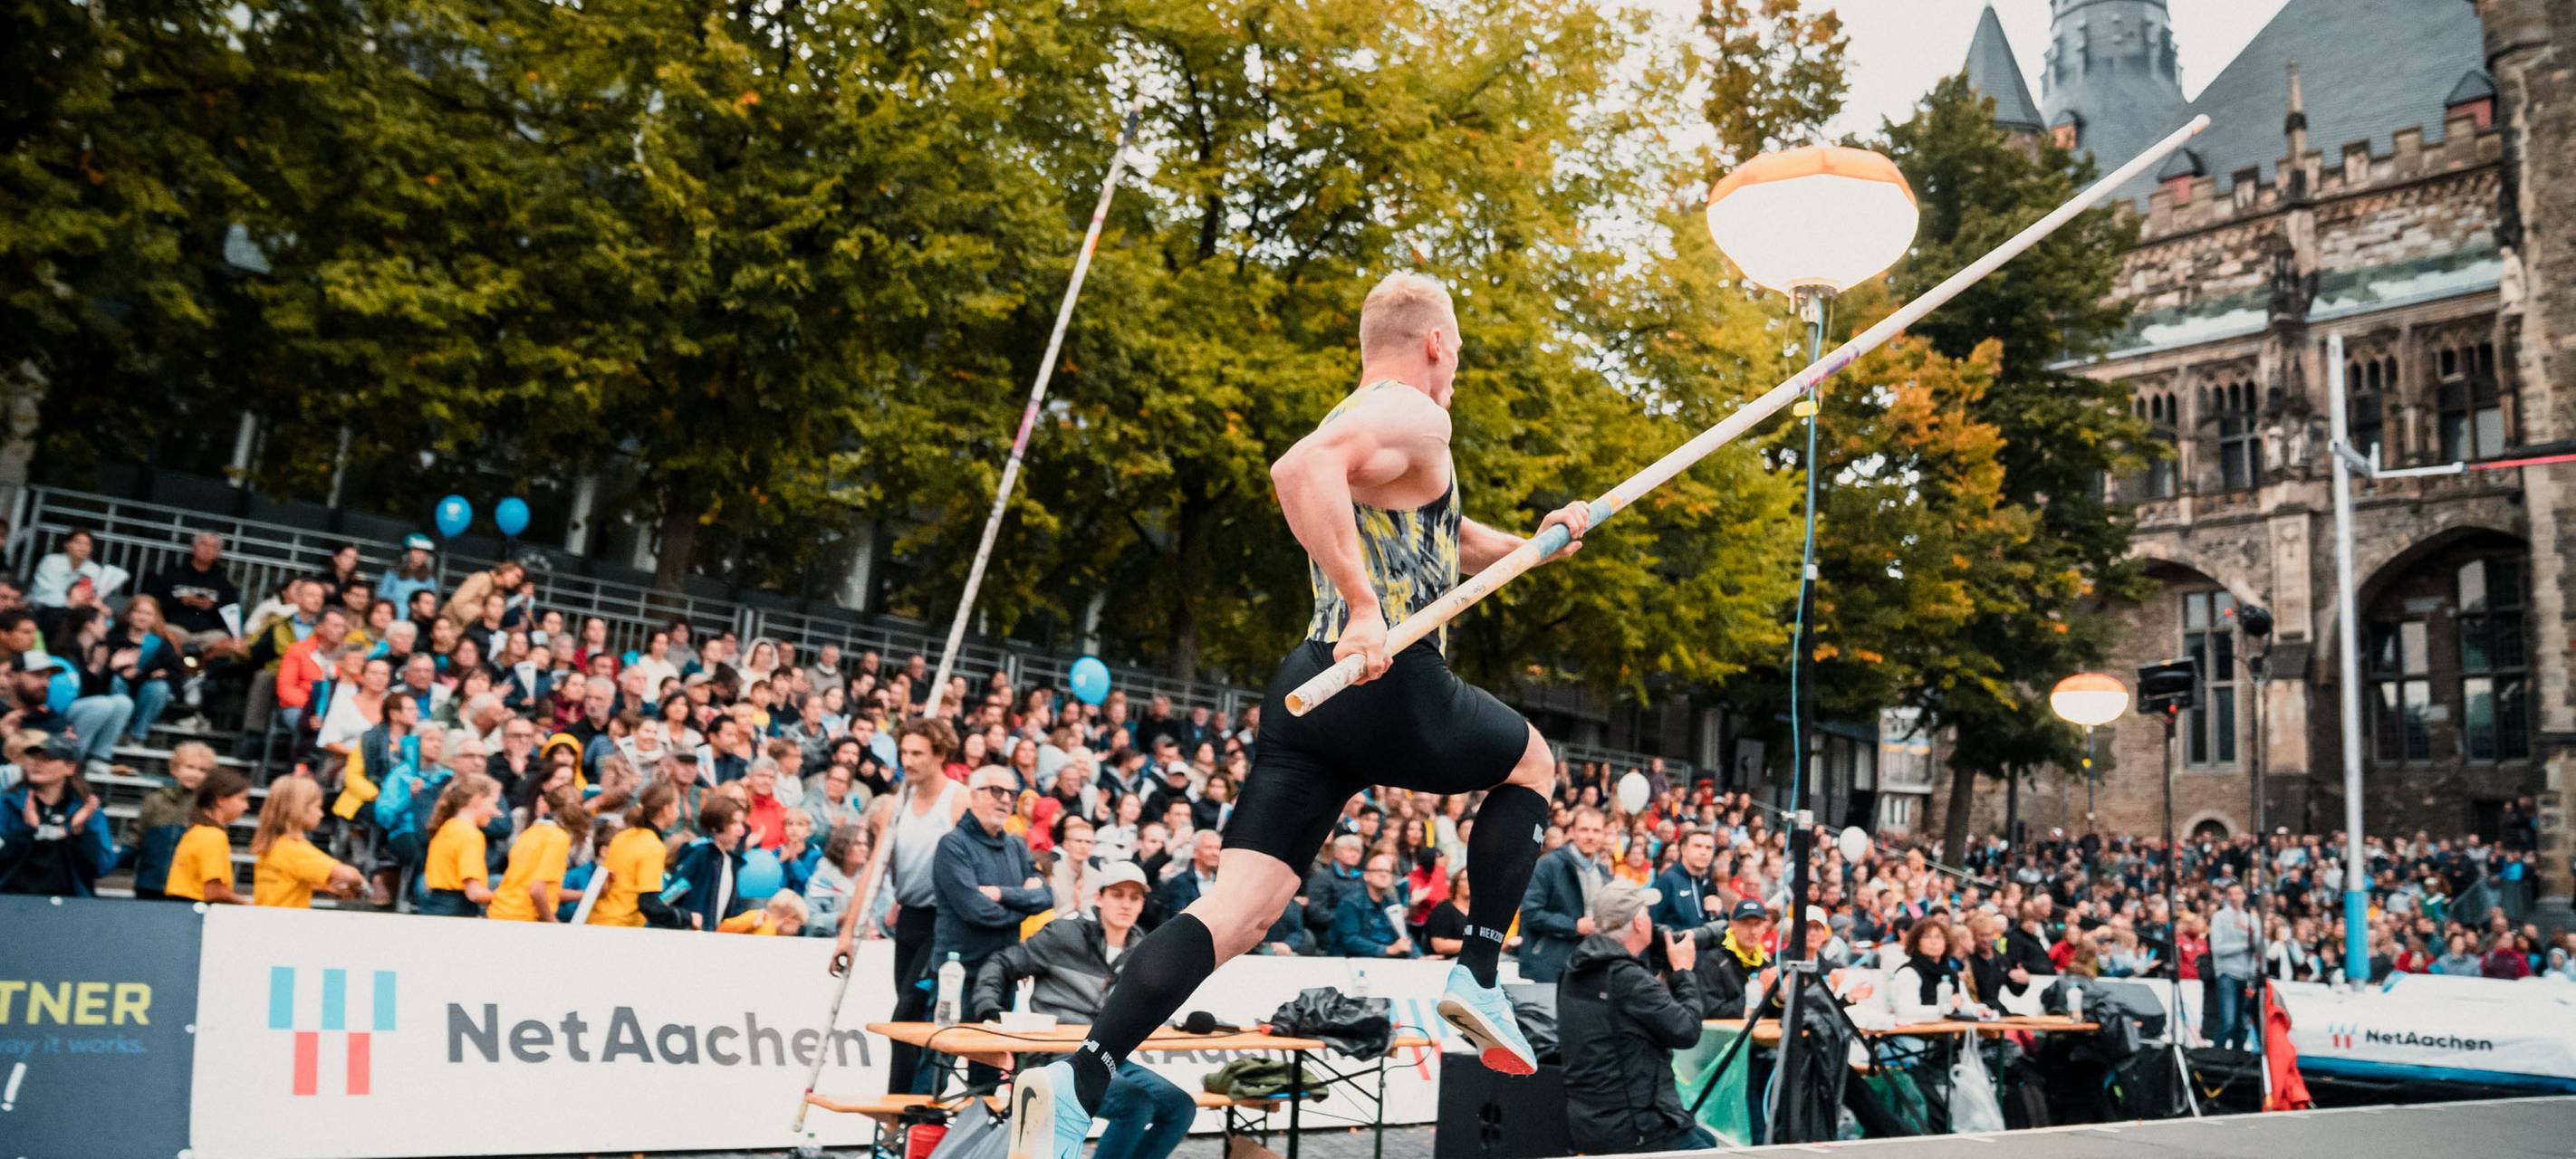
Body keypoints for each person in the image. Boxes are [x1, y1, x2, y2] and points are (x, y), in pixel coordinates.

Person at [1010, 273, 1594, 1159]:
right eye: (1460, 352)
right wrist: (1366, 605)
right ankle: (1478, 969)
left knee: (1238, 910)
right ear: (1436, 343)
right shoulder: (1415, 413)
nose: (1458, 370)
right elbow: (1297, 468)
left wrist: (1539, 544)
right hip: (1386, 676)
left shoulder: (1382, 428)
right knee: (1534, 765)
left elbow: (1446, 535)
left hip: (1311, 688)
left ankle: (1081, 1074)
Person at [968, 862, 1197, 1159]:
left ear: (1143, 903)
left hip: (1110, 1056)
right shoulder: (1063, 935)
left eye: (1135, 897)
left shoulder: (1144, 949)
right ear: (1099, 898)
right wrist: (989, 1009)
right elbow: (1001, 962)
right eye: (1118, 894)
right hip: (1054, 1058)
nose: (1127, 904)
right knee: (1134, 1104)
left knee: (1181, 1106)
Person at [831, 718, 967, 1094]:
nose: (907, 760)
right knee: (908, 1020)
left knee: (907, 1012)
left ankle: (905, 1107)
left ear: (939, 755)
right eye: (904, 752)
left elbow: (970, 865)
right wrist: (847, 935)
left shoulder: (956, 799)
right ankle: (910, 1109)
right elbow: (873, 872)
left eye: (917, 753)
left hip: (944, 925)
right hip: (909, 919)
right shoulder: (895, 804)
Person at [1555, 880, 1713, 1154]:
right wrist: (1684, 972)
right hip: (1637, 1129)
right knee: (1706, 1148)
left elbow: (1627, 1022)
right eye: (1648, 915)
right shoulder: (1628, 979)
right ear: (1639, 922)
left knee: (1706, 1140)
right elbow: (1686, 1030)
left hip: (1588, 1123)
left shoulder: (1573, 970)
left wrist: (1661, 973)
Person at [0, 733, 111, 896]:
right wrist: (26, 831)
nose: (37, 763)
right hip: (11, 902)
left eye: (48, 758)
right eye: (33, 757)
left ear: (70, 768)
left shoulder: (87, 810)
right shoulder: (6, 804)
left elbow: (101, 867)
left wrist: (79, 832)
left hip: (68, 907)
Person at [1520, 808, 1611, 982]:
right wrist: (1573, 926)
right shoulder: (1549, 865)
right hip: (1550, 965)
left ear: (1603, 835)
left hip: (1590, 963)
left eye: (1596, 830)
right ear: (1572, 832)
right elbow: (1530, 912)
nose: (1590, 836)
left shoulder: (1604, 872)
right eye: (1584, 829)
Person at [250, 774, 367, 907]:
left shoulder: (272, 846)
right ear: (299, 808)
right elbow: (348, 875)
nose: (321, 814)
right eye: (318, 807)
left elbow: (286, 881)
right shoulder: (295, 849)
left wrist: (325, 887)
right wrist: (362, 882)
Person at [132, 741, 219, 897]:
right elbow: (137, 838)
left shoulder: (208, 806)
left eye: (202, 770)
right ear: (175, 768)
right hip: (150, 883)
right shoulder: (155, 800)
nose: (195, 774)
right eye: (190, 767)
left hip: (187, 888)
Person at [488, 786, 588, 922]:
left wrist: (586, 895)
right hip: (523, 917)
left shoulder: (531, 832)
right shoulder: (558, 838)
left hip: (500, 912)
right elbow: (536, 890)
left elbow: (539, 889)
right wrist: (551, 921)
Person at [591, 784, 684, 928]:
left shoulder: (621, 836)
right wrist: (687, 917)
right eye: (677, 806)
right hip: (621, 927)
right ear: (666, 810)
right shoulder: (653, 846)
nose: (679, 812)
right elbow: (649, 904)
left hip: (598, 920)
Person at [164, 769, 255, 904]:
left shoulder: (196, 831)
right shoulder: (213, 836)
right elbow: (213, 891)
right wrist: (246, 903)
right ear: (220, 800)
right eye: (242, 799)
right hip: (195, 912)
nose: (246, 806)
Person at [420, 772, 501, 915]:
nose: (497, 812)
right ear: (477, 800)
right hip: (456, 912)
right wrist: (507, 898)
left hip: (434, 906)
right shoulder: (471, 835)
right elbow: (474, 893)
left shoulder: (446, 827)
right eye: (494, 803)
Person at [1693, 899, 1773, 1019]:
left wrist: (1778, 997)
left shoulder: (1766, 964)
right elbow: (1710, 1011)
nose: (1753, 931)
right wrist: (1751, 1000)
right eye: (1746, 924)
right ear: (1732, 925)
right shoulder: (1714, 961)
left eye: (1757, 924)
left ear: (1764, 928)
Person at [1886, 919, 1971, 1024]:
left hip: (1948, 1034)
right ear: (1917, 943)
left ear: (1946, 943)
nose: (1934, 942)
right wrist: (1944, 1008)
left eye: (1938, 937)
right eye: (1927, 937)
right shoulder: (1909, 972)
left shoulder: (1951, 973)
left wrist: (1979, 1010)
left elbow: (1964, 1004)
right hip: (1915, 1036)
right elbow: (1906, 1012)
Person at [1331, 851, 1415, 957]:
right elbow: (1350, 940)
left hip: (1383, 963)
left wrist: (1419, 956)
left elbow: (1404, 937)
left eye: (1388, 871)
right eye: (1378, 870)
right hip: (1351, 964)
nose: (1384, 875)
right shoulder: (1350, 903)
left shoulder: (1391, 905)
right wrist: (1387, 950)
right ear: (1366, 876)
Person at [1649, 829, 1721, 931]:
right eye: (1697, 846)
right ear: (1683, 849)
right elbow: (1652, 924)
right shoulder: (1668, 880)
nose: (1703, 852)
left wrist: (1719, 914)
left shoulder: (1709, 884)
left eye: (1709, 848)